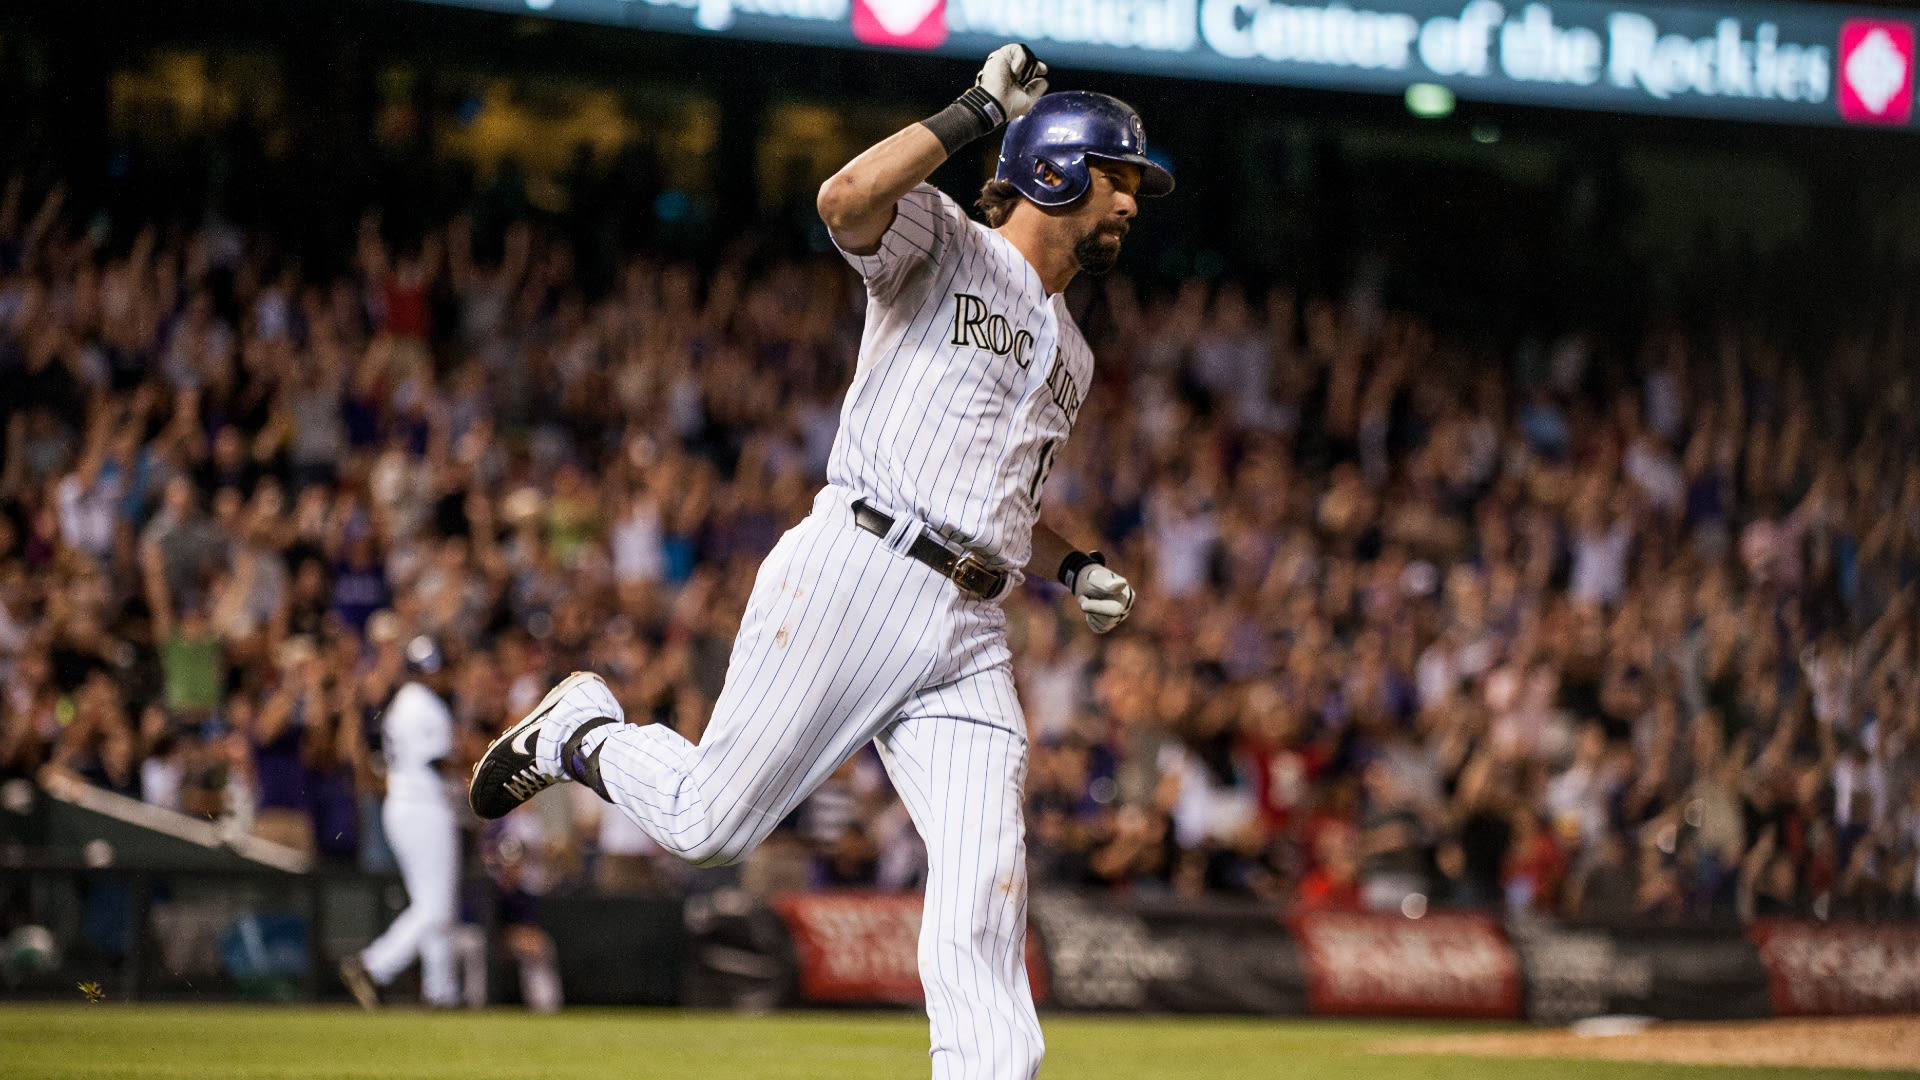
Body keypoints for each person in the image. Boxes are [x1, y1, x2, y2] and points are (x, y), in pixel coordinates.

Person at [467, 44, 1167, 1079]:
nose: (1133, 206)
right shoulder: (950, 242)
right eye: (1120, 179)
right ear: (1058, 168)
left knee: (985, 876)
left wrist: (1073, 567)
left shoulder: (1075, 353)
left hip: (974, 622)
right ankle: (584, 735)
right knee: (710, 825)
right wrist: (975, 110)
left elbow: (1010, 501)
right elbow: (843, 198)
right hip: (864, 563)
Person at [340, 636, 459, 1009]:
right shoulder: (425, 707)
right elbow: (438, 762)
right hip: (422, 804)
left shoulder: (400, 704)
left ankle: (441, 991)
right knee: (435, 907)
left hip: (405, 802)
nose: (437, 676)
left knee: (432, 902)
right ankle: (374, 964)